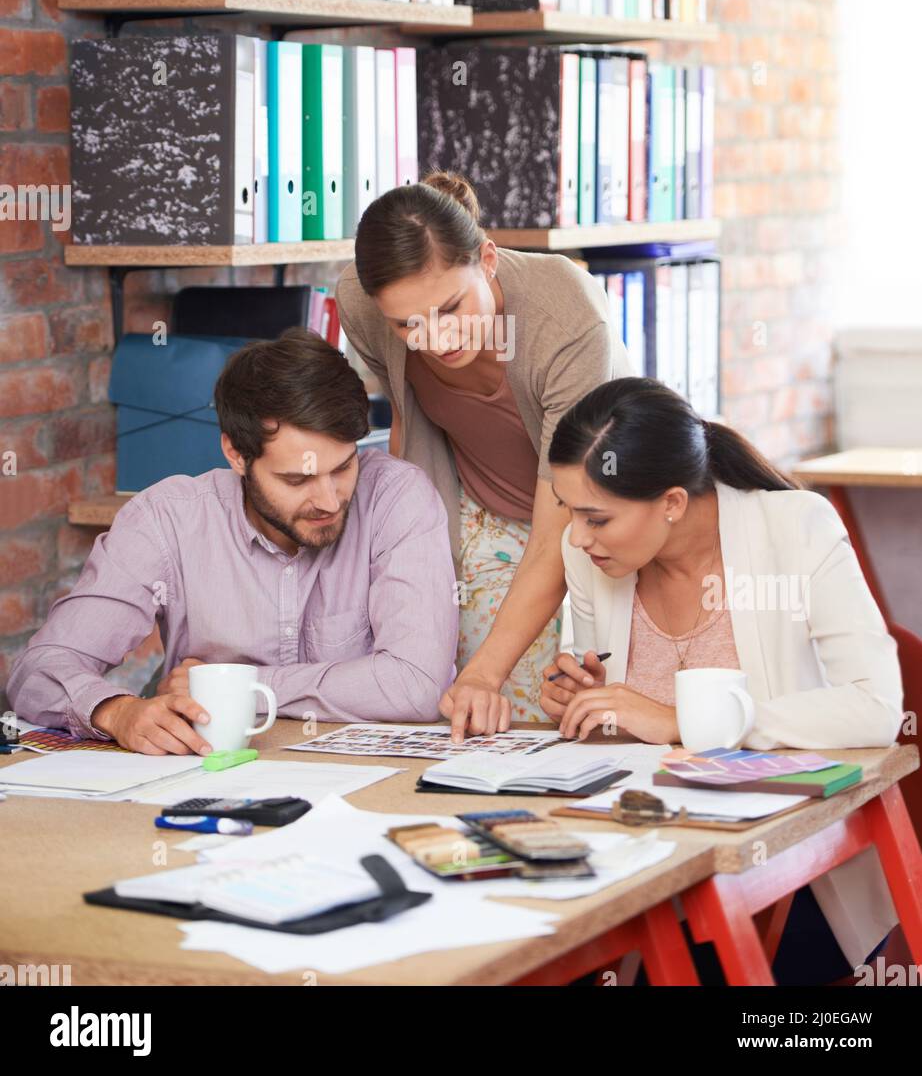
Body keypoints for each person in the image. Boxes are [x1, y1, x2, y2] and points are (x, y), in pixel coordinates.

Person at [543, 375, 903, 981]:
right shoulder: (590, 556)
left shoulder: (798, 528)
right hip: (641, 853)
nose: (576, 538)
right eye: (568, 513)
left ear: (673, 502)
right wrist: (583, 699)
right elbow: (610, 704)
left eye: (596, 518)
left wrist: (687, 724)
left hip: (784, 867)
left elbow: (874, 707)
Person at [7, 329, 458, 753]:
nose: (328, 500)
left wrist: (242, 686)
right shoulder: (167, 520)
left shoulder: (397, 498)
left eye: (342, 467)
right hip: (208, 780)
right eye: (296, 479)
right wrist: (115, 711)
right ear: (236, 455)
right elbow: (39, 671)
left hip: (375, 786)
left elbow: (416, 685)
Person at [335, 171, 631, 737]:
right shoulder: (362, 301)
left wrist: (484, 674)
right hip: (475, 503)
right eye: (408, 325)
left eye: (451, 310)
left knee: (519, 702)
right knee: (447, 704)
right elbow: (407, 428)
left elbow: (558, 527)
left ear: (488, 260)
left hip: (583, 515)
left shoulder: (564, 316)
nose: (437, 339)